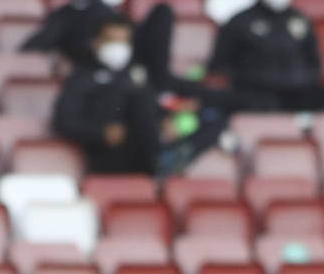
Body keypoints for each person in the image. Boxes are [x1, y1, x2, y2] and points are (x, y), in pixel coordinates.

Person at [53, 18, 229, 177]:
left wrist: (165, 118)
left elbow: (150, 109)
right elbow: (63, 120)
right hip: (111, 154)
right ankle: (161, 161)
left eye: (124, 41)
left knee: (215, 116)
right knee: (138, 96)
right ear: (96, 42)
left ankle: (164, 159)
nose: (119, 47)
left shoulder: (134, 75)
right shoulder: (81, 79)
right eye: (112, 40)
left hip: (145, 148)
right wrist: (101, 133)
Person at [23, 0, 176, 85]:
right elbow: (39, 42)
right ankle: (160, 79)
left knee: (163, 11)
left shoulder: (116, 14)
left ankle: (160, 78)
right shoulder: (67, 13)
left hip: (131, 65)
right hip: (90, 66)